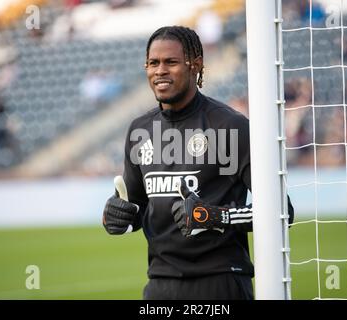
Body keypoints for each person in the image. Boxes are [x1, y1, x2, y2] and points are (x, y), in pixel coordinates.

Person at [102, 25, 294, 300]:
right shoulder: (139, 130)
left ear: (196, 65)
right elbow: (135, 207)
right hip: (159, 284)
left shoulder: (230, 127)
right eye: (153, 63)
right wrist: (115, 217)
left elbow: (282, 211)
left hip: (221, 282)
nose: (160, 71)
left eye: (171, 62)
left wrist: (216, 216)